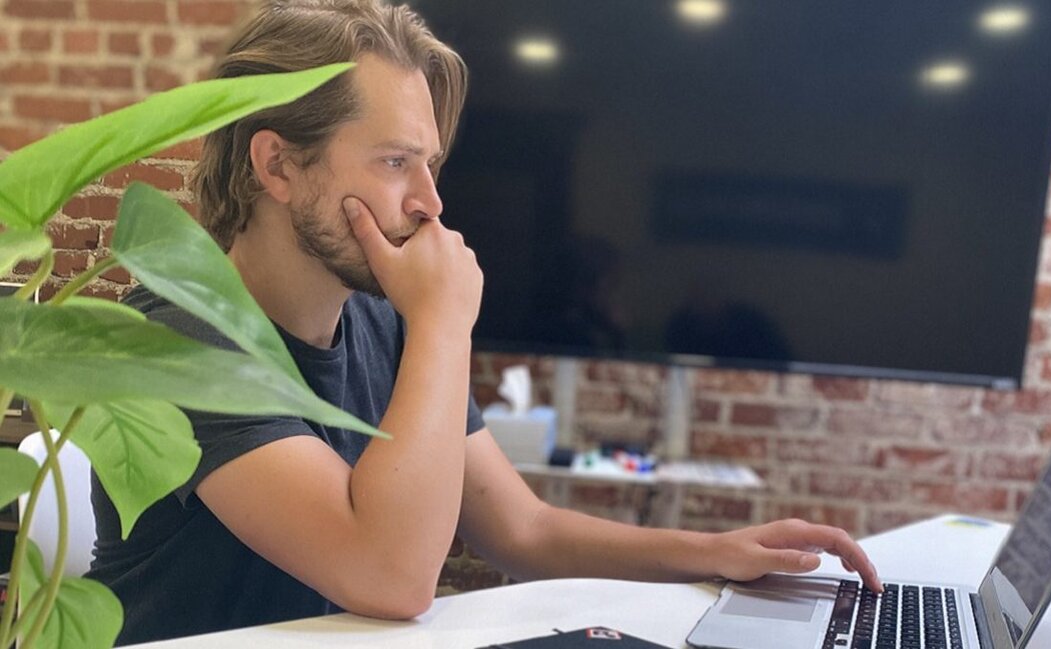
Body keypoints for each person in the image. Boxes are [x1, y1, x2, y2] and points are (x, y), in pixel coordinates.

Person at [87, 0, 881, 644]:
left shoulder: (381, 322)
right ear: (278, 165)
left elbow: (520, 528)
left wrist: (715, 555)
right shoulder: (182, 336)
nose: (430, 202)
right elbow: (391, 576)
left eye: (429, 164)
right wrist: (441, 320)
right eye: (396, 162)